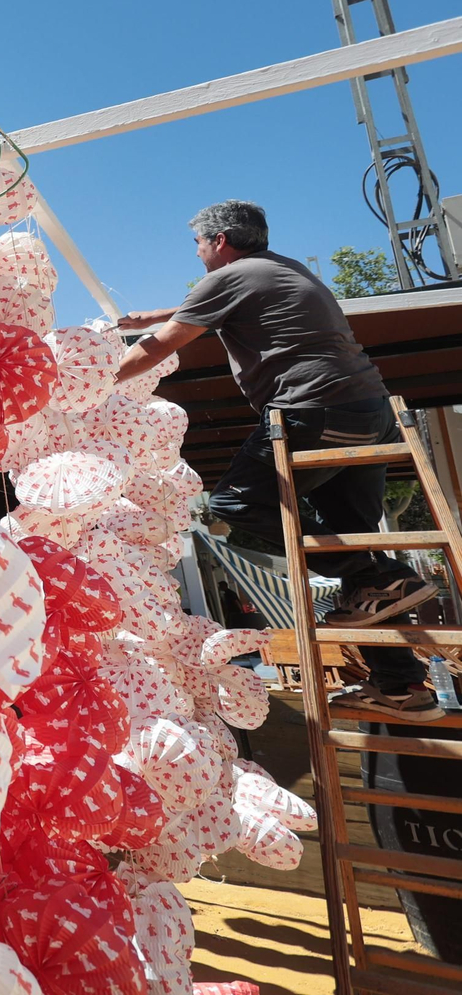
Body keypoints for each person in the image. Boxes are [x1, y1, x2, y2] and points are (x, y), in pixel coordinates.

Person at [116, 200, 441, 721]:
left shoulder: (232, 275)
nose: (197, 253)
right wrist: (151, 315)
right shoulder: (283, 270)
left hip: (314, 410)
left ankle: (379, 573)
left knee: (235, 504)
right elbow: (190, 310)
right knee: (351, 544)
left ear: (220, 241)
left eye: (198, 244)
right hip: (368, 411)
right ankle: (403, 686)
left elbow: (158, 348)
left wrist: (89, 383)